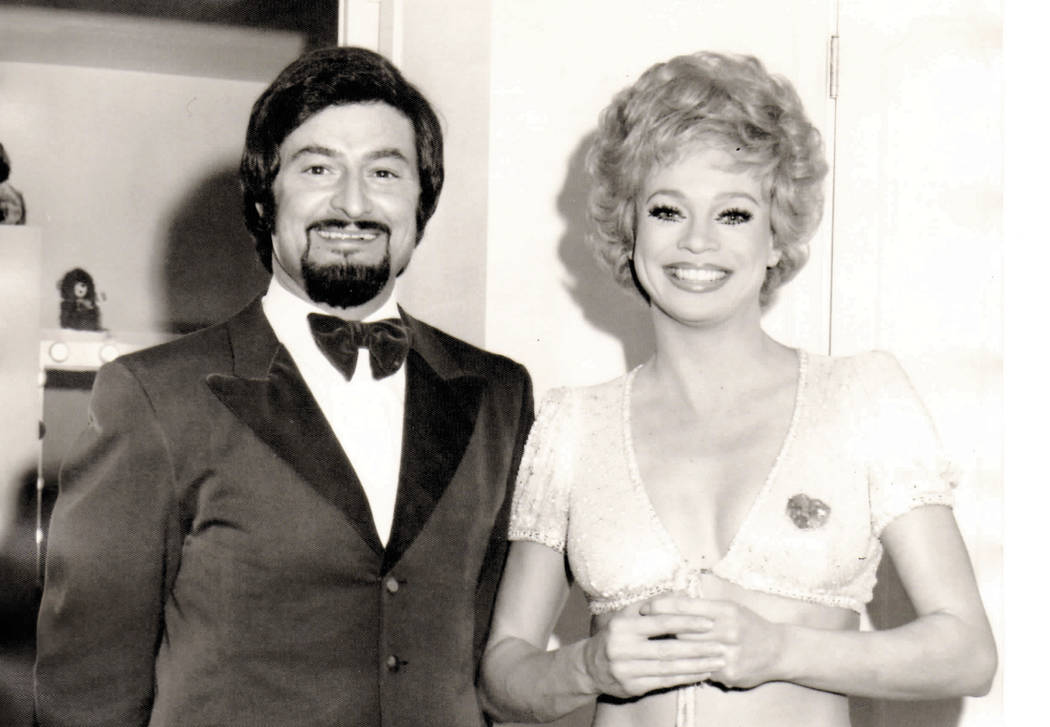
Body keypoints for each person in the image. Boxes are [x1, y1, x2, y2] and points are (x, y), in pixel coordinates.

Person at [480, 51, 996, 726]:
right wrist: (590, 666)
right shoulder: (573, 425)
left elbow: (967, 652)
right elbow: (502, 678)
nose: (697, 242)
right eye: (668, 210)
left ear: (777, 236)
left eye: (733, 215)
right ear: (630, 229)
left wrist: (781, 649)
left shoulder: (860, 398)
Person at [35, 46, 533, 727]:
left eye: (385, 171)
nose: (353, 202)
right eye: (318, 168)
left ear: (423, 202)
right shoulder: (154, 397)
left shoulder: (500, 395)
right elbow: (86, 692)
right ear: (265, 198)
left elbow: (496, 660)